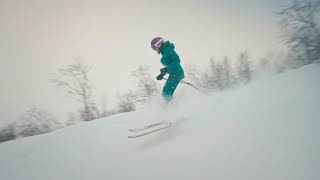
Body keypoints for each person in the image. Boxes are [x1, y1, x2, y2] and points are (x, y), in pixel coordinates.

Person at [150, 37, 185, 101]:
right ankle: (171, 107)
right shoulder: (164, 51)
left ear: (159, 44)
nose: (154, 50)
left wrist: (166, 69)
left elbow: (176, 60)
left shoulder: (167, 49)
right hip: (174, 73)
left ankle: (171, 108)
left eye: (154, 47)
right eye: (153, 48)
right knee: (166, 93)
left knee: (166, 93)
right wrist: (162, 74)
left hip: (176, 73)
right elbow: (170, 65)